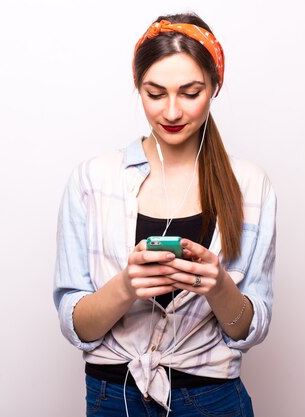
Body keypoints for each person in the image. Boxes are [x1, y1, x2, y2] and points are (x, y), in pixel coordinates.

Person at [53, 12, 276, 417]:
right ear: (137, 87)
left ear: (214, 87)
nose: (171, 112)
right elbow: (77, 326)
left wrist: (218, 286)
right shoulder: (91, 180)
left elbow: (249, 328)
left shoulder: (250, 185)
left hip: (211, 399)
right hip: (112, 397)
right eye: (155, 94)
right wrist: (126, 286)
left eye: (190, 93)